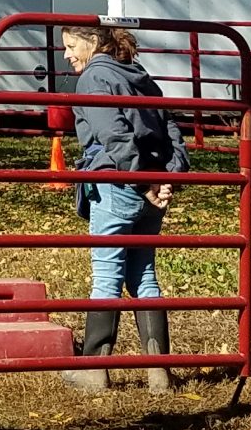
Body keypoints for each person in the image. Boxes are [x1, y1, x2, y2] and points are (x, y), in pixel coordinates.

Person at [59, 23, 184, 393]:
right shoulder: (139, 75)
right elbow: (170, 126)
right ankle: (158, 370)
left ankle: (94, 370)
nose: (67, 55)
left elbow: (114, 135)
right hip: (152, 187)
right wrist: (169, 176)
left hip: (119, 183)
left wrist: (142, 180)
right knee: (143, 274)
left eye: (71, 46)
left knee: (107, 275)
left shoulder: (94, 78)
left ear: (93, 41)